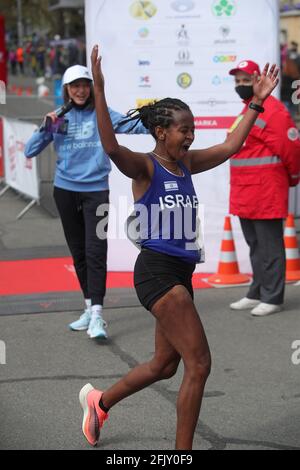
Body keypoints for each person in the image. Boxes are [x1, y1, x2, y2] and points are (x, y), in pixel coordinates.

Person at [78, 45, 279, 450]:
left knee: (164, 365)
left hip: (180, 274)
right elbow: (113, 148)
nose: (190, 135)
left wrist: (257, 103)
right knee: (199, 364)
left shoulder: (186, 163)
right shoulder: (146, 166)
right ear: (160, 132)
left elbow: (229, 147)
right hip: (156, 272)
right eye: (183, 130)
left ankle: (100, 401)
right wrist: (99, 90)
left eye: (192, 129)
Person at [24, 64, 148, 339]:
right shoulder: (59, 117)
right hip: (64, 192)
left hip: (96, 192)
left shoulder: (102, 114)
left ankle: (98, 316)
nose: (80, 90)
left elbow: (134, 126)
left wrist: (158, 119)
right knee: (79, 253)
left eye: (84, 85)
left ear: (90, 87)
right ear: (66, 90)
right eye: (74, 86)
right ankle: (89, 307)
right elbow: (30, 150)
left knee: (95, 252)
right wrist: (46, 127)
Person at [228, 60, 300, 317]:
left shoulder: (273, 109)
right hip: (245, 192)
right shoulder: (247, 110)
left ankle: (272, 296)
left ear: (259, 80)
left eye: (246, 80)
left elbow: (290, 147)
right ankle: (257, 291)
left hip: (266, 191)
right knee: (256, 246)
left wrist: (292, 178)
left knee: (269, 247)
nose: (241, 85)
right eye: (237, 81)